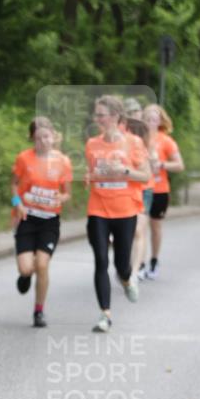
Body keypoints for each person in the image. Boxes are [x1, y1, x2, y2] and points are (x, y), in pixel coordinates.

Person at [85, 96, 150, 333]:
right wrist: (89, 176)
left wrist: (123, 170)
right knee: (101, 260)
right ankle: (105, 314)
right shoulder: (92, 144)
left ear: (114, 117)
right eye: (96, 114)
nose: (97, 119)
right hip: (98, 208)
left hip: (125, 210)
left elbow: (145, 176)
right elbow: (92, 171)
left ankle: (126, 279)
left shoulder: (133, 143)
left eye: (101, 114)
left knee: (121, 264)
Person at [11, 117, 73, 327]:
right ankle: (25, 276)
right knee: (27, 268)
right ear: (32, 139)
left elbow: (67, 194)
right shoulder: (23, 158)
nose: (43, 142)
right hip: (27, 219)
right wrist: (17, 203)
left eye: (46, 137)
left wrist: (59, 199)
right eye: (38, 138)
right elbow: (13, 185)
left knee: (43, 264)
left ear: (53, 137)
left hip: (49, 221)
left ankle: (39, 311)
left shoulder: (63, 161)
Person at [142, 104, 185, 278]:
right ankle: (139, 263)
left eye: (154, 119)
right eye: (147, 118)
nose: (150, 122)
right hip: (142, 189)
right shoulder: (137, 139)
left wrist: (161, 164)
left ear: (160, 121)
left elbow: (180, 165)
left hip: (159, 190)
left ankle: (153, 260)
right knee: (139, 227)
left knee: (155, 226)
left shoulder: (166, 141)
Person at [125, 117, 156, 281]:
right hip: (127, 191)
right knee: (129, 231)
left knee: (138, 230)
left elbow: (149, 171)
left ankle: (136, 269)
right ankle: (128, 265)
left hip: (145, 191)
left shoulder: (143, 149)